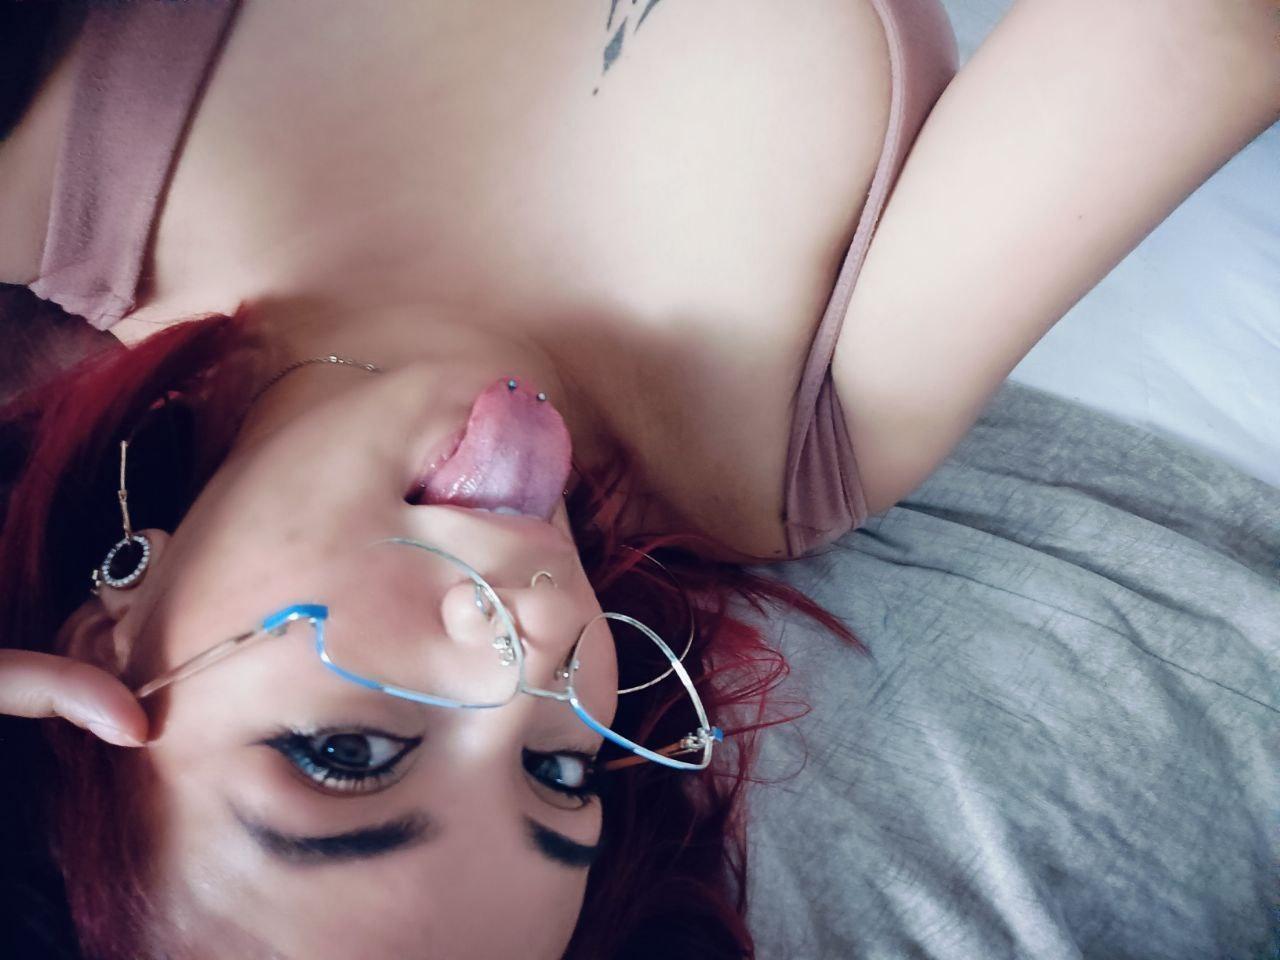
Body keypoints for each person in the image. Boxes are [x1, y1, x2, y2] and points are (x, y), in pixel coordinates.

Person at [1, 1, 1276, 958]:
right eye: (558, 772)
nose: (526, 655)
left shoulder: (52, 187)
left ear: (108, 642)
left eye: (345, 753)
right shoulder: (771, 454)